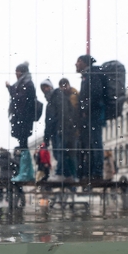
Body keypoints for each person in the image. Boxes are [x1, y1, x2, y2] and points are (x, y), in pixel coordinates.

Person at [76, 54, 106, 183]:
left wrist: (85, 109)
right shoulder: (87, 76)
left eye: (78, 62)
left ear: (83, 62)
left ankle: (97, 172)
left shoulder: (92, 74)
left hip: (94, 114)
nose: (75, 64)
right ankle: (92, 171)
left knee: (95, 142)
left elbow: (95, 93)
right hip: (90, 114)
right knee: (91, 143)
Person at [6, 62, 37, 182]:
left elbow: (20, 99)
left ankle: (26, 173)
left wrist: (10, 89)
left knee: (23, 144)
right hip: (22, 119)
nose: (15, 74)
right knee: (23, 144)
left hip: (23, 119)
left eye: (17, 71)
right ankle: (26, 172)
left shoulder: (27, 84)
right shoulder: (25, 83)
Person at [40, 78, 75, 181]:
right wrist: (46, 139)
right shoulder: (49, 103)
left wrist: (62, 127)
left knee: (60, 152)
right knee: (57, 153)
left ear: (51, 86)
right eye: (43, 88)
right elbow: (48, 122)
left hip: (60, 129)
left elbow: (63, 111)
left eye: (46, 87)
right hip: (54, 132)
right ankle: (68, 175)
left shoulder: (57, 94)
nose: (45, 89)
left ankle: (60, 173)